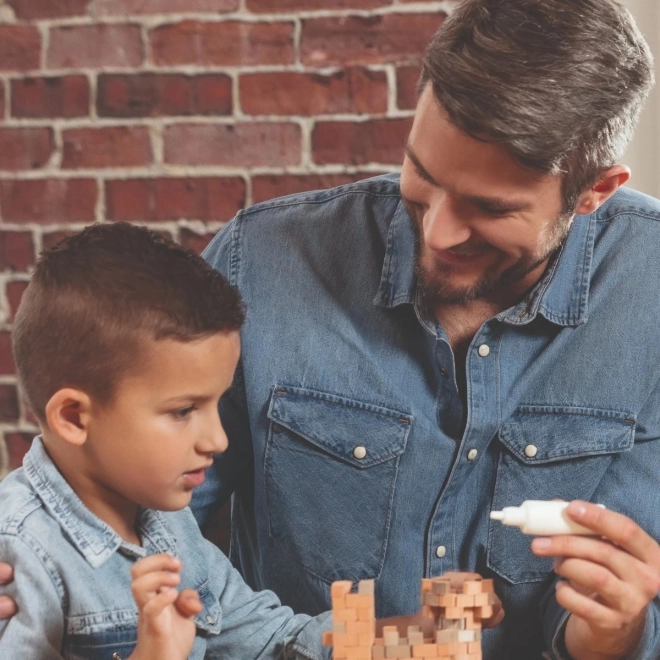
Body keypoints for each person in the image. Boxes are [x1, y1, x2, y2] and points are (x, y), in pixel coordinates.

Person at [1, 0, 659, 658]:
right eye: (423, 177)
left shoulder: (648, 293)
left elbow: (265, 631)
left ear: (596, 190)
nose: (437, 232)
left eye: (489, 208)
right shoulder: (257, 263)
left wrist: (610, 632)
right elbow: (131, 507)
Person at [0, 223, 333, 659]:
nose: (216, 439)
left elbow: (267, 641)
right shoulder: (22, 552)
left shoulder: (167, 519)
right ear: (74, 417)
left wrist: (395, 636)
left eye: (218, 403)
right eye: (183, 410)